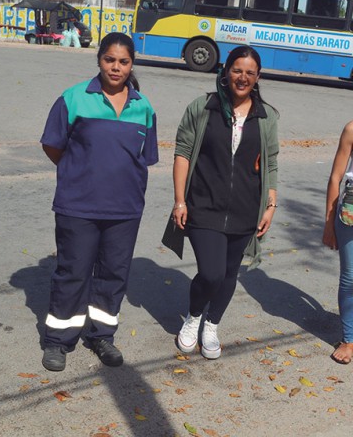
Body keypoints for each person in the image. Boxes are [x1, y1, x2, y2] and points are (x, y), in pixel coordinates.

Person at [40, 32, 159, 371]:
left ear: (131, 63)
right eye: (110, 60)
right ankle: (58, 341)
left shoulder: (143, 107)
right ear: (99, 60)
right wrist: (78, 173)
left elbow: (144, 157)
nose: (116, 67)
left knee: (113, 275)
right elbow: (53, 146)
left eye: (123, 61)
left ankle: (101, 335)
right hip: (78, 206)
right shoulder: (74, 98)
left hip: (125, 209)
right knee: (72, 273)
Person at [165, 45, 279, 360]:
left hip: (246, 209)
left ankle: (212, 325)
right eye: (237, 70)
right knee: (212, 272)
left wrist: (270, 204)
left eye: (250, 73)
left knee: (230, 273)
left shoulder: (266, 117)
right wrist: (179, 201)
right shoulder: (203, 108)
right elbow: (183, 153)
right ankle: (193, 317)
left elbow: (270, 162)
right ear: (225, 71)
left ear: (258, 78)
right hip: (203, 204)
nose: (242, 78)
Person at [322, 121, 353, 364]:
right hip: (350, 213)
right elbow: (335, 177)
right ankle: (349, 338)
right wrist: (329, 223)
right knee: (350, 278)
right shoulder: (352, 129)